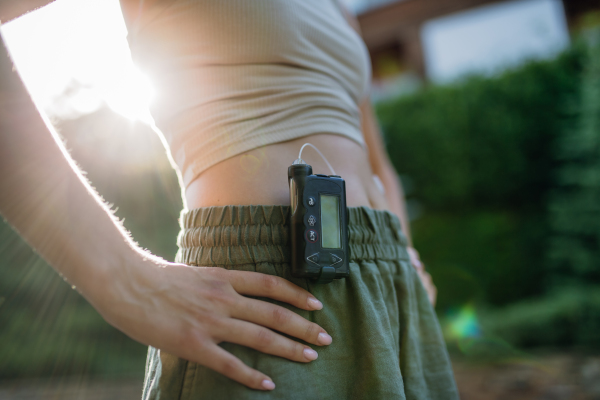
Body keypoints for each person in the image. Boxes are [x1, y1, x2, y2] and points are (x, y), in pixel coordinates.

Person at [0, 0, 457, 398]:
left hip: (391, 287)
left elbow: (377, 163)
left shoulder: (339, 6)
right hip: (265, 293)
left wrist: (405, 256)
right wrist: (125, 282)